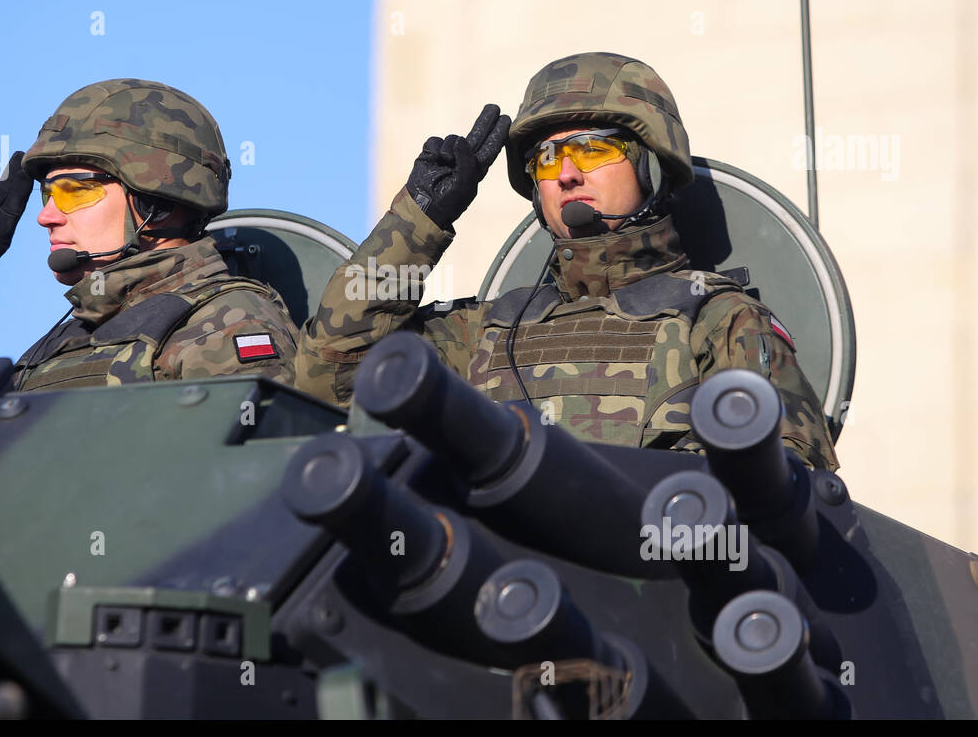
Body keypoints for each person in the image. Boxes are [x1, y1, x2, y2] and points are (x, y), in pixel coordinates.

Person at [296, 52, 839, 470]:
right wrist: (419, 220)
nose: (567, 174)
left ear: (649, 165)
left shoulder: (719, 320)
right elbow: (332, 374)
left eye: (593, 149)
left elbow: (784, 484)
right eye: (547, 158)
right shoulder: (485, 332)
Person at [0, 78, 298, 389]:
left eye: (74, 191)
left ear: (155, 201)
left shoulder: (226, 328)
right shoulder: (67, 340)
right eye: (47, 194)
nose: (46, 216)